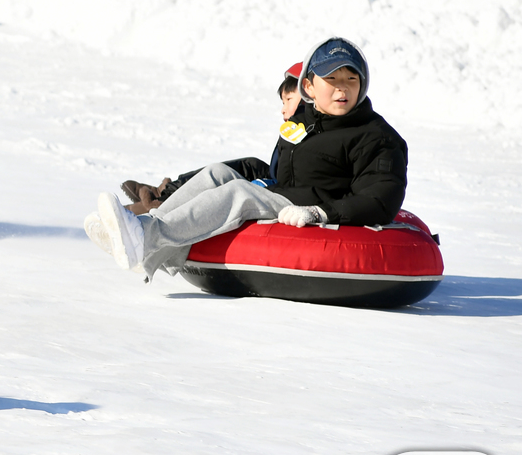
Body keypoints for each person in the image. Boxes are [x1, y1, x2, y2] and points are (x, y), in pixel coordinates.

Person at [89, 38, 408, 279]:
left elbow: (381, 199)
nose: (342, 89)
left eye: (351, 80)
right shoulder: (306, 119)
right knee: (217, 174)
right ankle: (143, 232)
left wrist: (320, 211)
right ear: (309, 86)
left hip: (317, 204)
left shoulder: (377, 137)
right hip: (286, 192)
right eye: (332, 80)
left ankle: (145, 237)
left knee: (238, 193)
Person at [118, 62, 303, 215]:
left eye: (289, 100)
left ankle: (157, 203)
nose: (282, 109)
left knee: (226, 178)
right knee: (249, 164)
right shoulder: (295, 126)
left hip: (279, 189)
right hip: (274, 177)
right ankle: (165, 193)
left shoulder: (308, 130)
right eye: (283, 101)